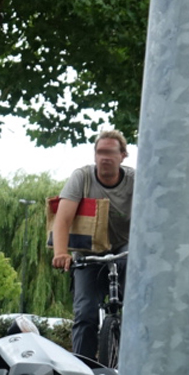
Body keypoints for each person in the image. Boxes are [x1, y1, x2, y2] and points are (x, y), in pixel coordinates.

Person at [50, 129, 134, 360]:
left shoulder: (135, 180)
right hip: (89, 250)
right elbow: (63, 219)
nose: (104, 157)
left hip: (124, 247)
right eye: (100, 152)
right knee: (85, 313)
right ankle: (82, 369)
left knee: (138, 306)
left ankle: (135, 360)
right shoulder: (82, 177)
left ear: (123, 155)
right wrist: (60, 252)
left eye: (110, 152)